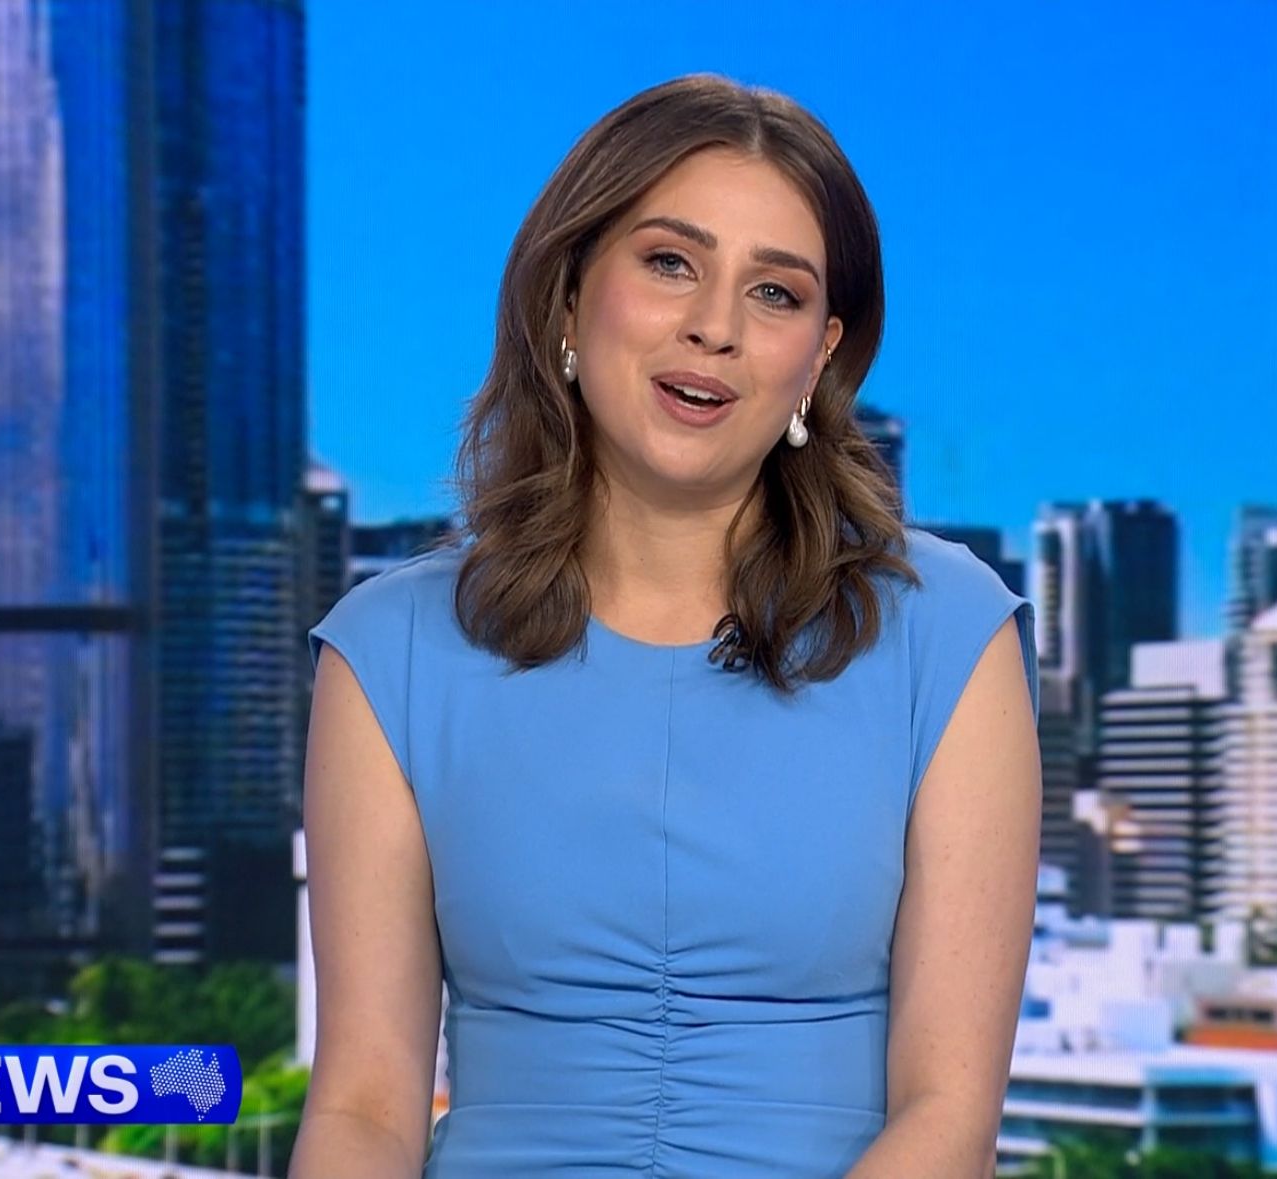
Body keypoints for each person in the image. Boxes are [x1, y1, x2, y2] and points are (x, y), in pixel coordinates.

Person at [289, 73, 1042, 1179]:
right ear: (566, 298)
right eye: (669, 263)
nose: (714, 328)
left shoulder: (950, 635)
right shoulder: (388, 650)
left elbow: (949, 1113)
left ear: (819, 356)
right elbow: (364, 1104)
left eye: (774, 293)